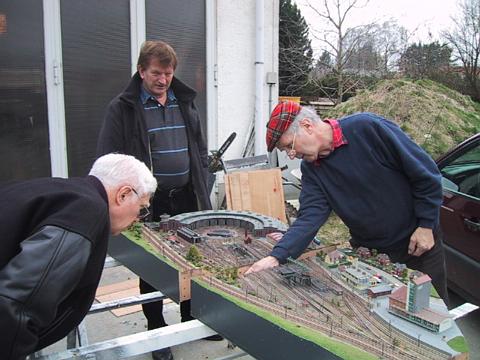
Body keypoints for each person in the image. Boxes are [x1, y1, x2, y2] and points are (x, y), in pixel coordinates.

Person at [245, 101, 449, 305]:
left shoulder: (368, 128)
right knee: (382, 315)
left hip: (417, 245)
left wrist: (426, 224)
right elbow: (309, 218)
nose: (291, 154)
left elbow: (426, 174)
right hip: (370, 251)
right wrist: (276, 257)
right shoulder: (312, 169)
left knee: (430, 309)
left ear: (307, 126)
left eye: (289, 146)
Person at [96, 40, 220, 360]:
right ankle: (156, 330)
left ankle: (190, 317)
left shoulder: (185, 102)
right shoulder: (123, 109)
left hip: (187, 197)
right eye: (155, 73)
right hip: (149, 202)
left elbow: (199, 150)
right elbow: (108, 159)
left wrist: (202, 182)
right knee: (151, 268)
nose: (162, 79)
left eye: (167, 73)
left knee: (192, 260)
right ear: (141, 71)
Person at [0, 153, 157, 360]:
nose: (139, 218)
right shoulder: (86, 212)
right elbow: (16, 304)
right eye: (141, 209)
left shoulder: (61, 190)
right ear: (124, 194)